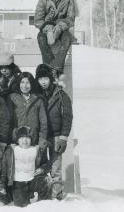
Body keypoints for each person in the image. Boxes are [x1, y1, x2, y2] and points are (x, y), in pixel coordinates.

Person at [35, 64, 73, 200]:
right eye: (40, 79)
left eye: (45, 78)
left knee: (55, 168)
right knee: (41, 167)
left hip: (56, 136)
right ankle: (43, 195)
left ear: (51, 79)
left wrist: (63, 137)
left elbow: (68, 117)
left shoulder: (62, 96)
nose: (43, 82)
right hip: (42, 137)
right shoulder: (36, 95)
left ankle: (56, 197)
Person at [34, 0, 76, 78]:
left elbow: (71, 18)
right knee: (41, 39)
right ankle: (48, 69)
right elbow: (38, 20)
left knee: (67, 38)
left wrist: (60, 27)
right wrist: (48, 29)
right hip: (47, 28)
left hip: (61, 27)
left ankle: (56, 69)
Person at [0, 126, 51, 207]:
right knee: (21, 206)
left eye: (28, 138)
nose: (25, 140)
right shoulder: (11, 150)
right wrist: (2, 185)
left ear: (32, 139)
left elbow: (46, 164)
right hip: (18, 182)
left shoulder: (36, 150)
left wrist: (42, 169)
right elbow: (4, 170)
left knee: (44, 184)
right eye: (21, 138)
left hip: (33, 181)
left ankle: (43, 204)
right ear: (17, 139)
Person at [9, 72, 48, 150]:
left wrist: (41, 141)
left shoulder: (38, 100)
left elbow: (44, 123)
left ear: (32, 84)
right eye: (22, 82)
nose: (25, 86)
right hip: (16, 141)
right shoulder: (12, 98)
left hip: (33, 141)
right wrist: (10, 141)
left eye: (28, 83)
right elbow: (7, 120)